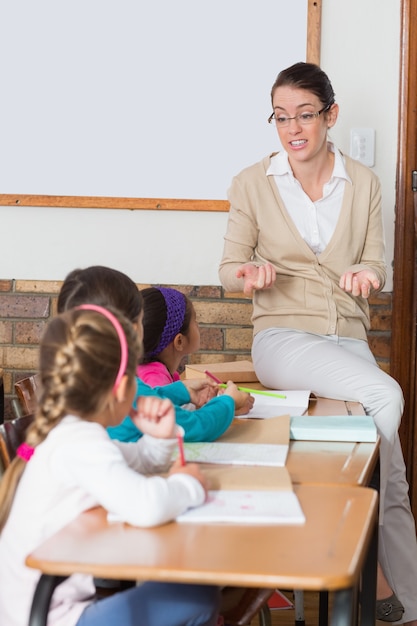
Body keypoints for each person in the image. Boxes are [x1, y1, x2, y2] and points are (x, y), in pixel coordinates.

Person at [218, 61, 417, 625]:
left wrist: (367, 277)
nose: (293, 129)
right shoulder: (251, 184)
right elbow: (229, 267)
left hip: (346, 343)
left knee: (392, 476)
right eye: (281, 117)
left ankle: (410, 612)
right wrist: (248, 275)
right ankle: (366, 566)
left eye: (305, 115)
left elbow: (378, 266)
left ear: (330, 115)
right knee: (387, 398)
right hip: (282, 339)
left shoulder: (367, 184)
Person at [0, 304, 220, 626]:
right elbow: (146, 505)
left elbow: (136, 461)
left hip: (42, 607)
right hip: (50, 617)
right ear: (120, 388)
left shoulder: (74, 433)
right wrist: (188, 485)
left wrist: (158, 439)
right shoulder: (80, 443)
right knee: (197, 597)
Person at [57, 266, 254, 443]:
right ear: (134, 328)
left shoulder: (95, 378)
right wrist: (228, 402)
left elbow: (148, 398)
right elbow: (194, 427)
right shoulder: (121, 387)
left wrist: (182, 391)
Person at [138, 286, 200, 386]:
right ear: (179, 341)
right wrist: (226, 400)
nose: (198, 325)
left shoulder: (158, 373)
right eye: (195, 320)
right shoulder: (156, 381)